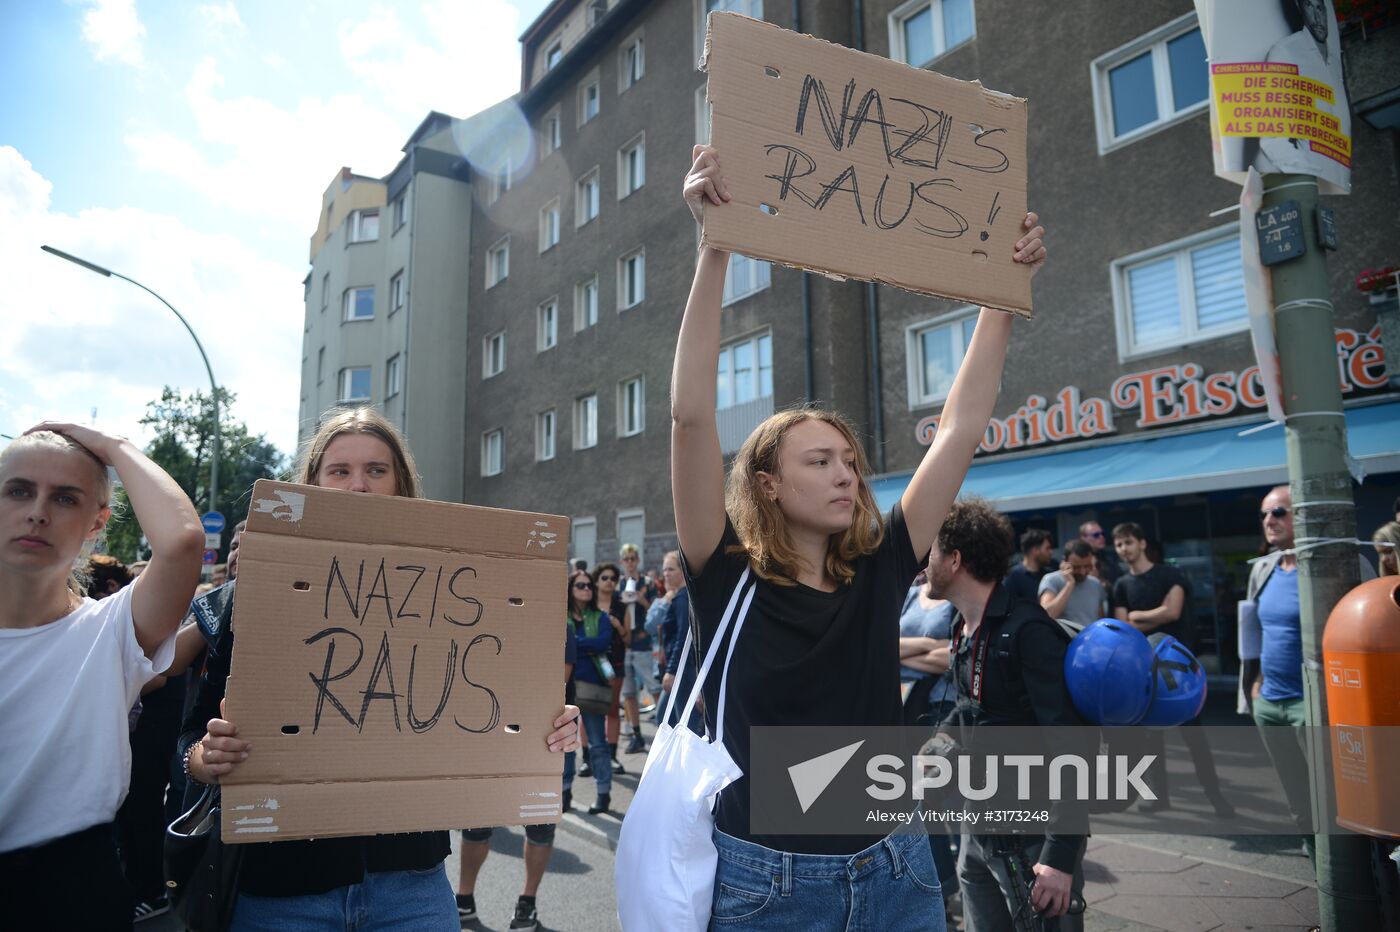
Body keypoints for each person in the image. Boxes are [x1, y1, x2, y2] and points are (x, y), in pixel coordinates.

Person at [673, 143, 1045, 929]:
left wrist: (1001, 296)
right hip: (767, 883)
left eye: (850, 459)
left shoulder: (880, 568)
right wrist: (715, 248)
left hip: (900, 864)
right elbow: (691, 416)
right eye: (820, 460)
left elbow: (960, 428)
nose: (846, 474)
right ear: (766, 482)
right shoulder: (724, 573)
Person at [180, 408, 581, 931]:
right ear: (314, 481)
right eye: (340, 471)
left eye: (376, 470)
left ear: (400, 485)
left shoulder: (461, 587)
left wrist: (544, 729)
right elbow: (190, 735)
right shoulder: (257, 594)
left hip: (410, 887)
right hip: (283, 888)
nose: (358, 486)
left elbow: (483, 712)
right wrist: (203, 758)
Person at [0, 425, 203, 931]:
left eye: (65, 498)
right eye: (18, 490)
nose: (38, 512)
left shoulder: (110, 630)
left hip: (70, 889)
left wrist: (113, 447)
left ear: (97, 523)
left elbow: (182, 541)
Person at [928, 498, 1088, 932]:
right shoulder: (961, 627)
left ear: (955, 559)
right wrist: (932, 752)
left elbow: (1073, 747)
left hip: (1033, 841)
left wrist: (1059, 857)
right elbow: (971, 708)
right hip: (977, 828)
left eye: (932, 552)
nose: (925, 564)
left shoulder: (1029, 631)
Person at [1242, 485, 1374, 850]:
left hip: (1318, 704)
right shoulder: (1264, 568)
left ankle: (1350, 890)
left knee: (1333, 800)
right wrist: (1256, 686)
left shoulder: (1341, 562)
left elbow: (1369, 630)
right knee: (1299, 802)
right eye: (1265, 514)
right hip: (1270, 703)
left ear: (1300, 516)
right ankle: (1318, 870)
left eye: (1279, 512)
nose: (1269, 521)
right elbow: (1256, 631)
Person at [457, 592, 578, 932]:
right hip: (489, 736)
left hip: (542, 738)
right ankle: (464, 900)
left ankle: (526, 905)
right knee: (477, 823)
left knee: (540, 826)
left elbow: (557, 688)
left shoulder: (561, 629)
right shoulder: (490, 621)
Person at [1111, 522, 1233, 817]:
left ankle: (1216, 797)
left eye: (1128, 542)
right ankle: (1157, 797)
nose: (1123, 549)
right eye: (1118, 545)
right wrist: (1153, 616)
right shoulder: (1121, 585)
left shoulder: (1170, 574)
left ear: (1141, 543)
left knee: (1195, 738)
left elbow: (1174, 611)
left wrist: (1139, 616)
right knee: (1151, 740)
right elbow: (1124, 625)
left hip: (1178, 672)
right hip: (1142, 672)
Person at [568, 567, 617, 813]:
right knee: (564, 745)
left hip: (592, 685)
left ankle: (603, 794)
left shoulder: (600, 617)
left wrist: (575, 643)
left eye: (589, 585)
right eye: (580, 585)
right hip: (564, 686)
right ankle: (563, 792)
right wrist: (586, 646)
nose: (586, 589)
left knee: (598, 743)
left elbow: (603, 642)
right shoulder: (561, 615)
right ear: (570, 589)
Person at [617, 543, 659, 753]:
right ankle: (637, 735)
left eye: (633, 558)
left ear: (638, 561)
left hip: (643, 644)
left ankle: (664, 730)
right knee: (629, 694)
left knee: (655, 689)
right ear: (622, 562)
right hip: (625, 645)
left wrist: (641, 599)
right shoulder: (618, 585)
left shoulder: (648, 582)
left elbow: (657, 610)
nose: (631, 562)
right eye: (627, 559)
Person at [1038, 540, 1108, 627]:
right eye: (1076, 567)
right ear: (1065, 562)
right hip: (1064, 639)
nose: (1082, 572)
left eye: (1087, 566)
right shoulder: (1051, 580)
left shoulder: (1095, 584)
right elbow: (1047, 615)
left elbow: (1101, 622)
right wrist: (1069, 584)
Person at [1003, 529, 1052, 602]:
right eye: (1047, 548)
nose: (1051, 552)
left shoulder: (1049, 575)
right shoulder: (1012, 576)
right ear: (1035, 550)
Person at [1078, 520, 1122, 587]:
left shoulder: (1110, 557)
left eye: (1102, 534)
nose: (1101, 537)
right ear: (1084, 538)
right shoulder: (1078, 559)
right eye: (1096, 535)